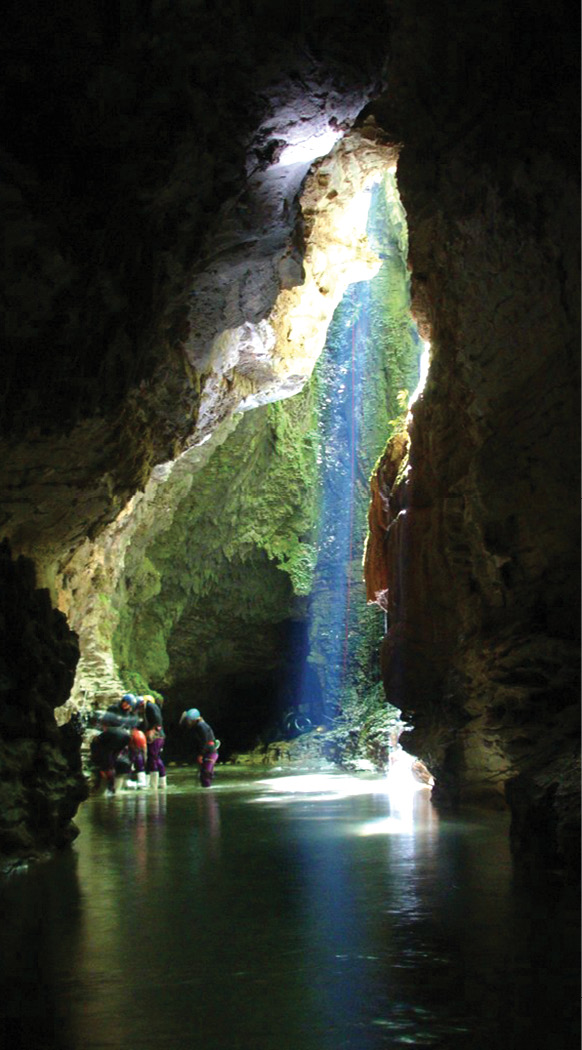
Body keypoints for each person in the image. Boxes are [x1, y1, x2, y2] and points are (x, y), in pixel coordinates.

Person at [179, 708, 220, 787]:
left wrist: (201, 754)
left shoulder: (201, 726)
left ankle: (208, 795)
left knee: (206, 774)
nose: (188, 722)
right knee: (203, 775)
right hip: (208, 752)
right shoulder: (198, 726)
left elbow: (205, 741)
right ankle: (206, 794)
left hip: (210, 752)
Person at [136, 695, 167, 789]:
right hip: (159, 736)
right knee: (155, 758)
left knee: (153, 757)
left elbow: (157, 719)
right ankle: (161, 783)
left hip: (156, 736)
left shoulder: (150, 706)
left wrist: (153, 729)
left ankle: (153, 785)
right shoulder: (149, 708)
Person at [89, 726, 132, 794]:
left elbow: (104, 751)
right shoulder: (105, 735)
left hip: (116, 739)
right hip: (126, 737)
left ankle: (110, 786)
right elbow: (116, 751)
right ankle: (111, 785)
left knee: (107, 764)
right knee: (111, 760)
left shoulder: (98, 741)